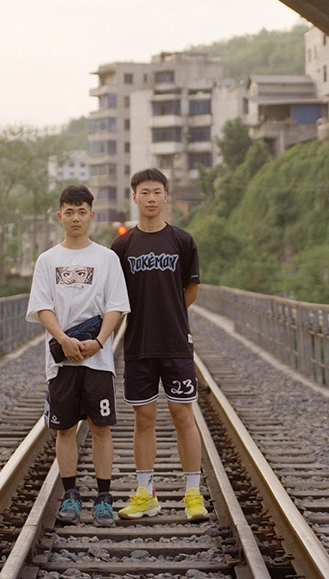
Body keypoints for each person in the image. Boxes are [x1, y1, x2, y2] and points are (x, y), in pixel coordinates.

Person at [27, 184, 130, 527]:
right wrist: (63, 340)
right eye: (69, 212)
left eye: (81, 211)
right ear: (60, 216)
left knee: (101, 427)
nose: (75, 218)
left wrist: (100, 342)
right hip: (60, 361)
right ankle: (70, 494)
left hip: (98, 360)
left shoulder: (107, 258)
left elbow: (116, 306)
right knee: (65, 428)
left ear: (91, 215)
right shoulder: (47, 260)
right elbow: (42, 306)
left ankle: (103, 497)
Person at [112, 168, 206, 521]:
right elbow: (115, 296)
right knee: (144, 418)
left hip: (176, 343)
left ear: (166, 197)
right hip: (138, 344)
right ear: (134, 197)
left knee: (183, 414)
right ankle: (146, 493)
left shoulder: (182, 241)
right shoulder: (122, 245)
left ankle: (193, 493)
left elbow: (191, 289)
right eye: (144, 192)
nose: (151, 198)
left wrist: (169, 313)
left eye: (157, 192)